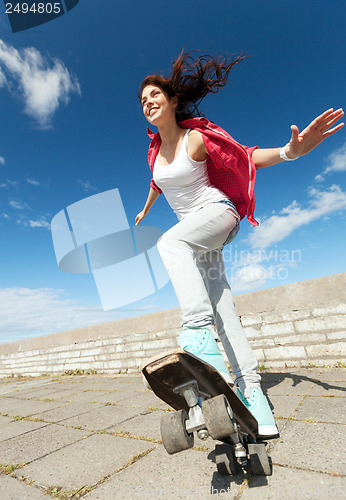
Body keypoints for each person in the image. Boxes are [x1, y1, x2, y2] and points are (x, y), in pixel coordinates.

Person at [135, 50, 344, 437]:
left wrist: (289, 152)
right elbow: (157, 184)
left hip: (218, 214)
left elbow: (245, 157)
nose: (148, 101)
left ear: (173, 100)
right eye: (142, 99)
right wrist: (145, 209)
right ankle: (254, 396)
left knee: (169, 244)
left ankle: (197, 332)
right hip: (198, 239)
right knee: (223, 307)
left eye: (155, 95)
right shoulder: (154, 154)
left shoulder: (194, 137)